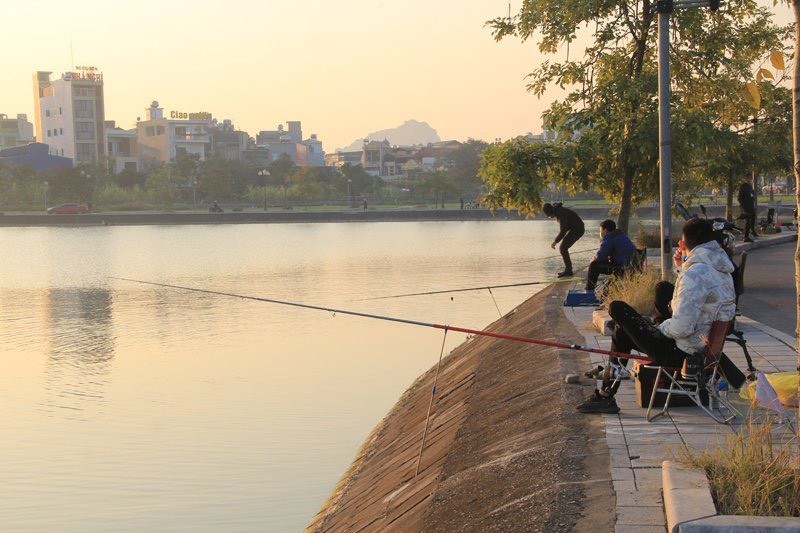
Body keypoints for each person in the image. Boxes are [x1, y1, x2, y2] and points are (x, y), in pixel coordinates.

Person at [578, 218, 736, 414]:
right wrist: (682, 266)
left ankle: (606, 395)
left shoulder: (695, 274)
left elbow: (682, 327)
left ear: (683, 243)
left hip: (684, 352)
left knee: (617, 309)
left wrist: (657, 329)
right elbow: (695, 296)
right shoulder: (720, 269)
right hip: (703, 346)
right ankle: (605, 394)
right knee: (660, 292)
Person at [585, 219, 636, 291]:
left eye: (600, 231)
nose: (600, 233)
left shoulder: (609, 238)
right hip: (630, 265)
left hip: (621, 267)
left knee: (593, 265)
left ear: (605, 230)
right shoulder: (621, 235)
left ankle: (589, 290)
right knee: (597, 263)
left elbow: (600, 256)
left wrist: (592, 261)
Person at [542, 202, 585, 277]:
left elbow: (563, 230)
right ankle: (568, 269)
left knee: (563, 248)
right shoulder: (557, 210)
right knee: (563, 248)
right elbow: (566, 227)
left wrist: (555, 242)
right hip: (573, 229)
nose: (551, 217)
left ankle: (568, 271)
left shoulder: (561, 213)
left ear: (551, 212)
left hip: (578, 230)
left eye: (550, 215)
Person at [737, 175, 757, 242]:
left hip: (751, 206)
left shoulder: (750, 187)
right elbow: (739, 197)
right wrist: (742, 206)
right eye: (748, 178)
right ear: (745, 179)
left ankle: (752, 230)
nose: (750, 180)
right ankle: (746, 236)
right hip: (746, 206)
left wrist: (752, 199)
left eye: (751, 179)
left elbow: (752, 194)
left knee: (753, 216)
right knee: (747, 221)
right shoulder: (743, 187)